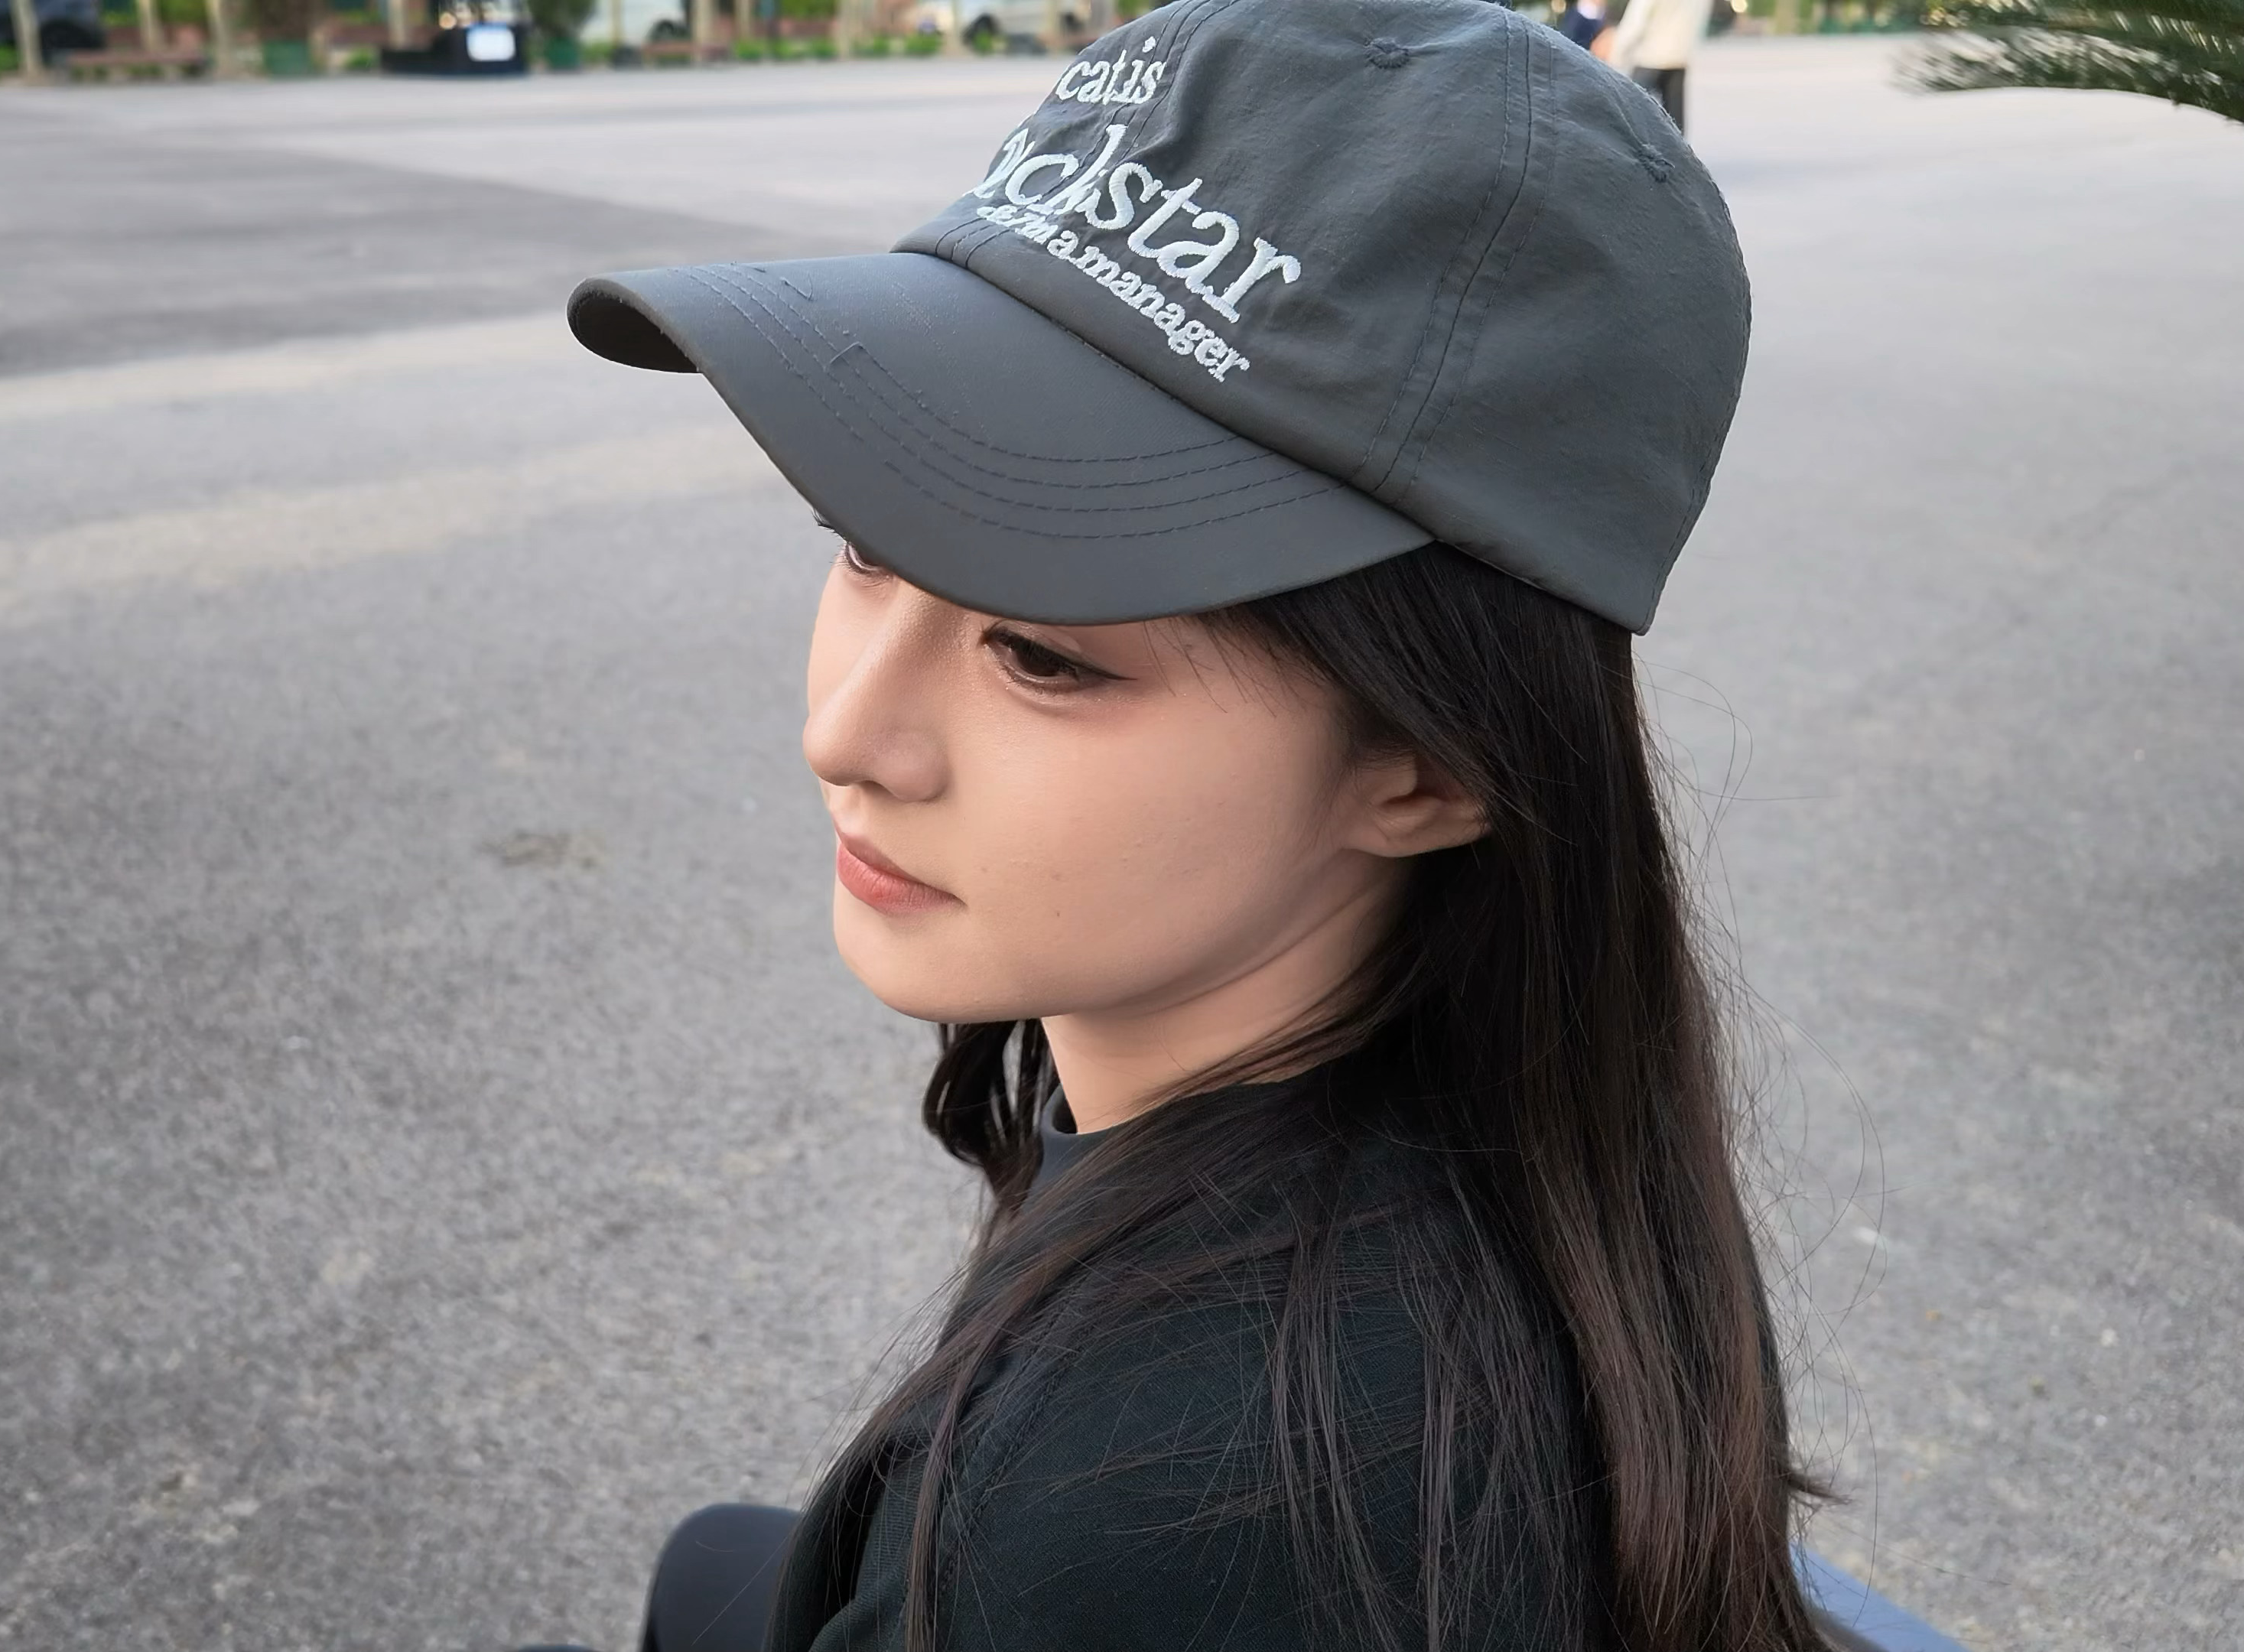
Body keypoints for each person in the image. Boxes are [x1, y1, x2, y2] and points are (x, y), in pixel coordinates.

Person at [554, 0, 1828, 1647]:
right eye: (864, 542)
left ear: (1433, 771)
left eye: (1043, 655)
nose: (844, 734)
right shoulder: (1538, 1140)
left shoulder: (1139, 1523)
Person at [1602, 0, 1715, 128]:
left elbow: (1636, 22)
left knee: (1630, 112)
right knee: (1675, 123)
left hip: (1649, 58)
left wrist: (1617, 53)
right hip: (1679, 57)